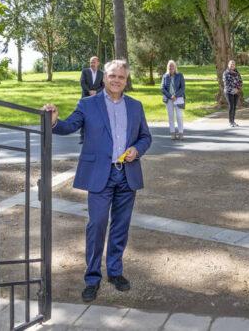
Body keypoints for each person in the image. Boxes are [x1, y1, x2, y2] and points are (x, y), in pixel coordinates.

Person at [43, 60, 152, 303]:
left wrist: (137, 149)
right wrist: (53, 121)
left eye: (121, 77)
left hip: (127, 174)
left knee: (120, 227)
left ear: (126, 81)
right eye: (112, 75)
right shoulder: (88, 104)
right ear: (104, 78)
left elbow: (146, 136)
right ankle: (92, 277)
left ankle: (115, 272)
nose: (116, 80)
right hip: (100, 175)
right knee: (97, 225)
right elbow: (68, 126)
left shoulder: (135, 106)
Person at [160, 60, 186, 140]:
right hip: (169, 99)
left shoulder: (180, 75)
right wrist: (170, 96)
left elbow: (183, 88)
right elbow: (162, 88)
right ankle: (172, 133)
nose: (171, 68)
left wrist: (175, 95)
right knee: (171, 116)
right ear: (168, 67)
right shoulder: (165, 76)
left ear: (175, 67)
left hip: (178, 98)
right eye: (170, 66)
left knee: (179, 116)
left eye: (173, 66)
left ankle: (181, 133)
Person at [222, 60, 243, 127]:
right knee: (231, 106)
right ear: (228, 65)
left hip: (236, 92)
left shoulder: (237, 72)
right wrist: (233, 89)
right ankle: (230, 122)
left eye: (233, 64)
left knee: (234, 107)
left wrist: (238, 89)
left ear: (235, 65)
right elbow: (226, 83)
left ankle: (233, 121)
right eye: (231, 64)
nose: (232, 65)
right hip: (228, 92)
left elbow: (240, 81)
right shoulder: (226, 73)